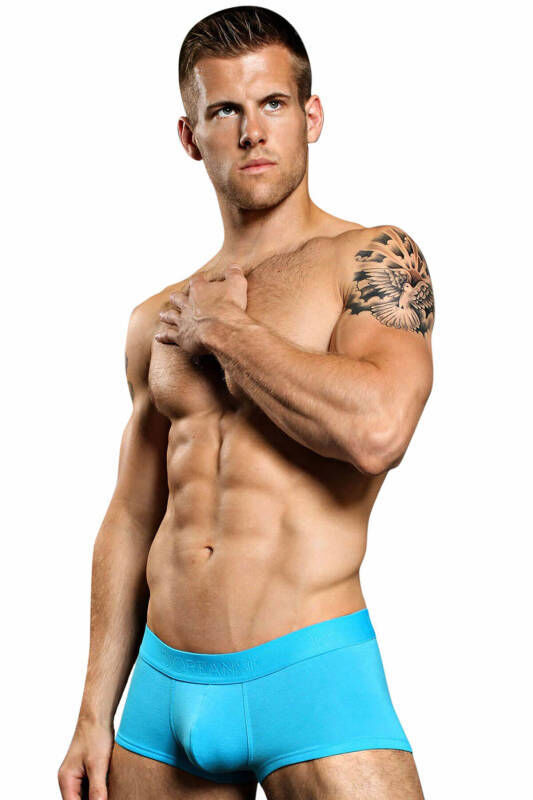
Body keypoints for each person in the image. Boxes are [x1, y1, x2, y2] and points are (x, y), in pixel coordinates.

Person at [58, 6, 434, 799]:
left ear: (311, 117)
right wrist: (93, 712)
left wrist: (227, 334)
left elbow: (377, 430)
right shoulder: (156, 317)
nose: (252, 131)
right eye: (225, 110)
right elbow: (131, 514)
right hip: (160, 695)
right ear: (190, 135)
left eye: (272, 103)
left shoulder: (367, 258)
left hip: (310, 673)